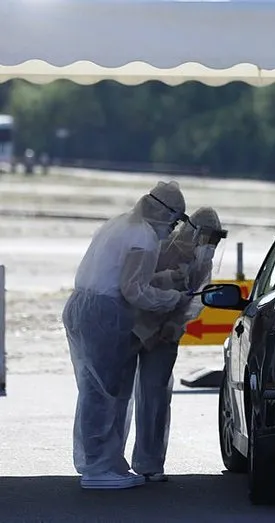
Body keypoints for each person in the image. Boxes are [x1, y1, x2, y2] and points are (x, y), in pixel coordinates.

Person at [62, 181, 190, 490]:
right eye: (174, 222)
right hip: (106, 315)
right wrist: (170, 298)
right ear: (165, 214)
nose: (173, 229)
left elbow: (122, 273)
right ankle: (100, 469)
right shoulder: (144, 237)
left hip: (82, 307)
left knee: (94, 389)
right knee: (109, 393)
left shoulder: (119, 224)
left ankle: (95, 462)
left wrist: (161, 277)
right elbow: (133, 290)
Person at [128, 206, 227, 483]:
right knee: (120, 395)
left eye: (216, 240)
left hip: (166, 335)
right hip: (136, 328)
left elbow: (193, 299)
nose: (211, 245)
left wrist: (171, 328)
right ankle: (109, 462)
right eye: (209, 237)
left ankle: (149, 463)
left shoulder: (201, 261)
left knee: (156, 397)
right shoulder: (160, 247)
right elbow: (136, 287)